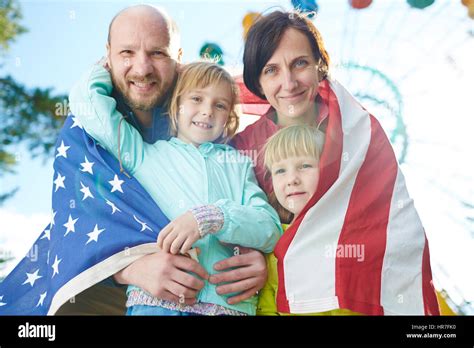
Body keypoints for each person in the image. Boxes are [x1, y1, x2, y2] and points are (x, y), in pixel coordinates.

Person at [234, 10, 439, 315]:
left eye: (299, 63)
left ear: (320, 67)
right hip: (271, 296)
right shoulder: (241, 149)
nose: (288, 83)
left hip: (356, 297)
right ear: (258, 82)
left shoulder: (358, 135)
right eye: (271, 70)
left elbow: (394, 230)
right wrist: (248, 253)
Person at [88, 4, 270, 311]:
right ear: (176, 104)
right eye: (196, 99)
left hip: (225, 305)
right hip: (156, 303)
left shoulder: (238, 163)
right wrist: (103, 67)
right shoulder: (144, 154)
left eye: (220, 105)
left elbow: (267, 227)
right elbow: (91, 110)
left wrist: (213, 217)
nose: (206, 111)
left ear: (229, 117)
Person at [256, 125, 357, 315]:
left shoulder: (353, 237)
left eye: (304, 166)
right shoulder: (274, 241)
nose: (292, 179)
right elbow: (267, 308)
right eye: (280, 171)